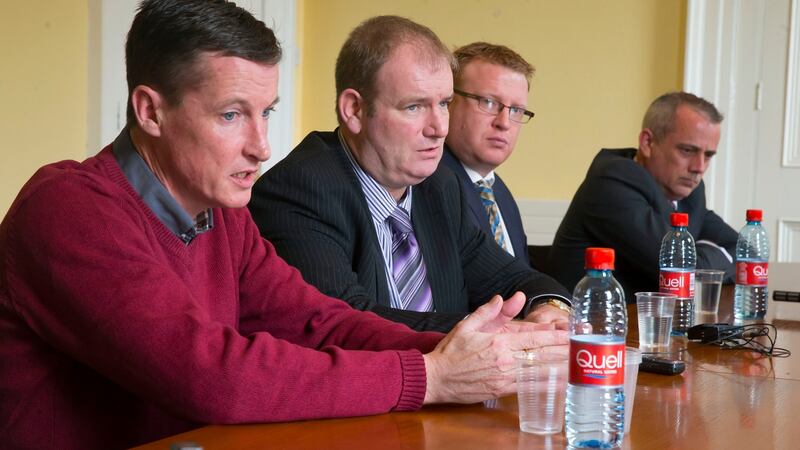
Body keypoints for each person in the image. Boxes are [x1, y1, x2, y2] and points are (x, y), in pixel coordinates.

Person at [0, 2, 568, 449]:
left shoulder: (224, 215)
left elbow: (320, 323)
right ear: (150, 111)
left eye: (265, 112)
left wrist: (476, 352)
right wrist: (431, 377)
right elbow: (213, 375)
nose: (261, 145)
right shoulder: (70, 208)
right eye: (231, 114)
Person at [248, 16, 572, 334]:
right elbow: (344, 322)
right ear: (355, 110)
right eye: (414, 107)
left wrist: (549, 309)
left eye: (444, 103)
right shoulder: (299, 189)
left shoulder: (441, 186)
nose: (439, 128)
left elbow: (512, 277)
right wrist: (500, 333)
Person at [549, 91, 738, 301]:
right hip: (588, 325)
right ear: (647, 143)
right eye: (687, 151)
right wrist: (704, 258)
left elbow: (743, 249)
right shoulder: (612, 183)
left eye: (708, 155)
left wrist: (698, 260)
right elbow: (682, 273)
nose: (699, 167)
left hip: (648, 323)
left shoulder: (688, 191)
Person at [441, 42, 534, 266]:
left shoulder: (501, 194)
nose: (504, 123)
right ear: (448, 102)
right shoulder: (430, 184)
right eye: (489, 102)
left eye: (516, 110)